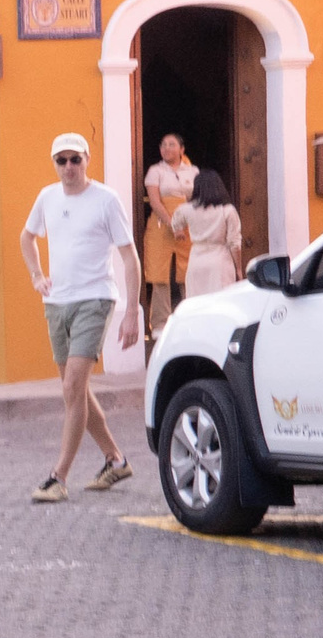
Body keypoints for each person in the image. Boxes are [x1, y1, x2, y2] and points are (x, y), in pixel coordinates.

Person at [18, 134, 141, 505]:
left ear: (87, 159)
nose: (69, 167)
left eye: (75, 159)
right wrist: (37, 276)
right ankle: (115, 460)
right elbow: (27, 238)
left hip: (95, 299)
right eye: (61, 160)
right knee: (76, 391)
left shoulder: (106, 200)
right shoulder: (47, 197)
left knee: (73, 386)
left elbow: (129, 257)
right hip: (57, 303)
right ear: (54, 163)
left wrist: (132, 312)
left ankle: (58, 477)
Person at [141, 133, 196, 337]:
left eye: (171, 145)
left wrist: (184, 223)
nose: (166, 148)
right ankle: (159, 324)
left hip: (189, 225)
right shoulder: (155, 171)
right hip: (161, 224)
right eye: (163, 145)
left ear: (182, 149)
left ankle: (189, 318)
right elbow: (155, 201)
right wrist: (173, 224)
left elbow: (197, 199)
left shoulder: (193, 171)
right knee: (160, 273)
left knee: (188, 272)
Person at [173, 170, 245, 296]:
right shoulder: (227, 210)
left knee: (197, 305)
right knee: (221, 303)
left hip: (196, 260)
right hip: (220, 262)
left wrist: (178, 231)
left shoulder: (187, 209)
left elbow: (176, 220)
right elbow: (234, 244)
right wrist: (238, 269)